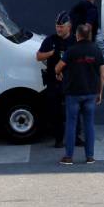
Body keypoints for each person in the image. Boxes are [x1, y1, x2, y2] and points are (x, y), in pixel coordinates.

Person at [55, 24, 104, 165]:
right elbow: (102, 75)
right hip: (91, 93)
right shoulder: (97, 51)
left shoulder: (71, 51)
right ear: (89, 35)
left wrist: (59, 73)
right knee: (89, 125)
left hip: (73, 93)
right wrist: (100, 93)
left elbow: (58, 67)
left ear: (77, 35)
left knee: (71, 124)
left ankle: (69, 157)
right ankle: (90, 157)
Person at [36, 12, 75, 148]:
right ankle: (58, 139)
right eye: (57, 26)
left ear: (69, 27)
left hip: (71, 81)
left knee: (74, 110)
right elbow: (39, 56)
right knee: (55, 112)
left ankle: (76, 137)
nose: (58, 29)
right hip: (54, 82)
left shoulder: (74, 40)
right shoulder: (50, 40)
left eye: (61, 27)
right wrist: (52, 53)